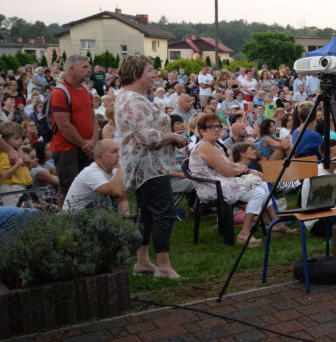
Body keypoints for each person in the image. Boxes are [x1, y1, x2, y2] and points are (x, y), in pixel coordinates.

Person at [114, 55, 189, 279]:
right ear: (136, 73)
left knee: (147, 214)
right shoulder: (134, 100)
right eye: (149, 70)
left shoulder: (128, 97)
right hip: (148, 167)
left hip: (142, 166)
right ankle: (164, 266)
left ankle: (143, 261)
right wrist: (172, 136)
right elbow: (147, 137)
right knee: (164, 213)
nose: (153, 74)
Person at [188, 111, 293, 247]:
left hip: (221, 181)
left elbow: (229, 165)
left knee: (263, 185)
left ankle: (275, 223)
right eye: (211, 127)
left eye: (218, 126)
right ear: (202, 131)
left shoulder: (215, 145)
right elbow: (226, 171)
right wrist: (244, 170)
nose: (216, 129)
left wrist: (249, 170)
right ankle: (244, 233)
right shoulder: (205, 147)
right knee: (258, 192)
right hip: (211, 187)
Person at [49, 54, 96, 205]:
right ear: (71, 68)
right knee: (69, 190)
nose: (89, 70)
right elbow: (64, 125)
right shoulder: (60, 92)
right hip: (66, 149)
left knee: (88, 188)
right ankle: (66, 223)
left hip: (85, 147)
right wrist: (85, 144)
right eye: (84, 67)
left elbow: (93, 118)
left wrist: (93, 140)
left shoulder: (86, 91)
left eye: (89, 66)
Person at [62, 140, 128, 213]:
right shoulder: (91, 172)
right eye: (114, 152)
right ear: (100, 157)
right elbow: (116, 192)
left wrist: (126, 218)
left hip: (92, 214)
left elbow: (122, 200)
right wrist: (121, 167)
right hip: (74, 216)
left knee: (137, 218)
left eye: (119, 151)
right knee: (105, 201)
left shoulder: (115, 170)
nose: (119, 155)